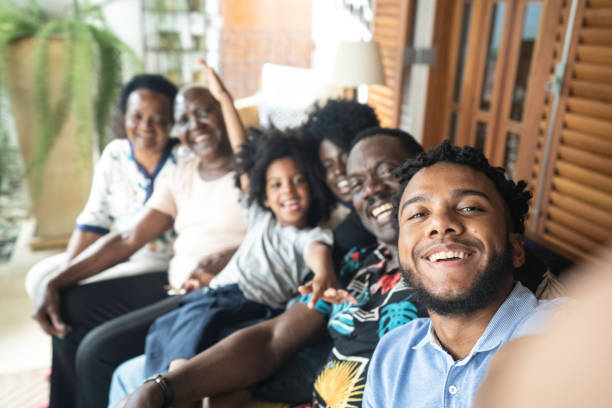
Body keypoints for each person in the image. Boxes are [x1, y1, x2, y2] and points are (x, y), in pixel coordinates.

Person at [113, 127, 426, 408]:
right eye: (356, 183)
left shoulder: (442, 271)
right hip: (223, 310)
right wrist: (163, 388)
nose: (371, 189)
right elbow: (272, 339)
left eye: (387, 172)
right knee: (132, 381)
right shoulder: (356, 263)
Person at [32, 77, 249, 408]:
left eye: (204, 112)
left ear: (225, 113)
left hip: (212, 295)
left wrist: (225, 258)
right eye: (186, 119)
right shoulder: (183, 171)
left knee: (96, 352)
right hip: (173, 284)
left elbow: (271, 235)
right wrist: (56, 280)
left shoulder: (252, 173)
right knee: (68, 305)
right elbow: (130, 236)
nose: (195, 126)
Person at [362, 141, 566, 407]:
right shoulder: (393, 353)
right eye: (418, 214)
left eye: (469, 208)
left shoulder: (564, 337)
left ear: (515, 248)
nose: (440, 224)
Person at [300, 100, 380, 264]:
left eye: (346, 157)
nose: (338, 170)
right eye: (328, 165)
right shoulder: (320, 212)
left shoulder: (381, 205)